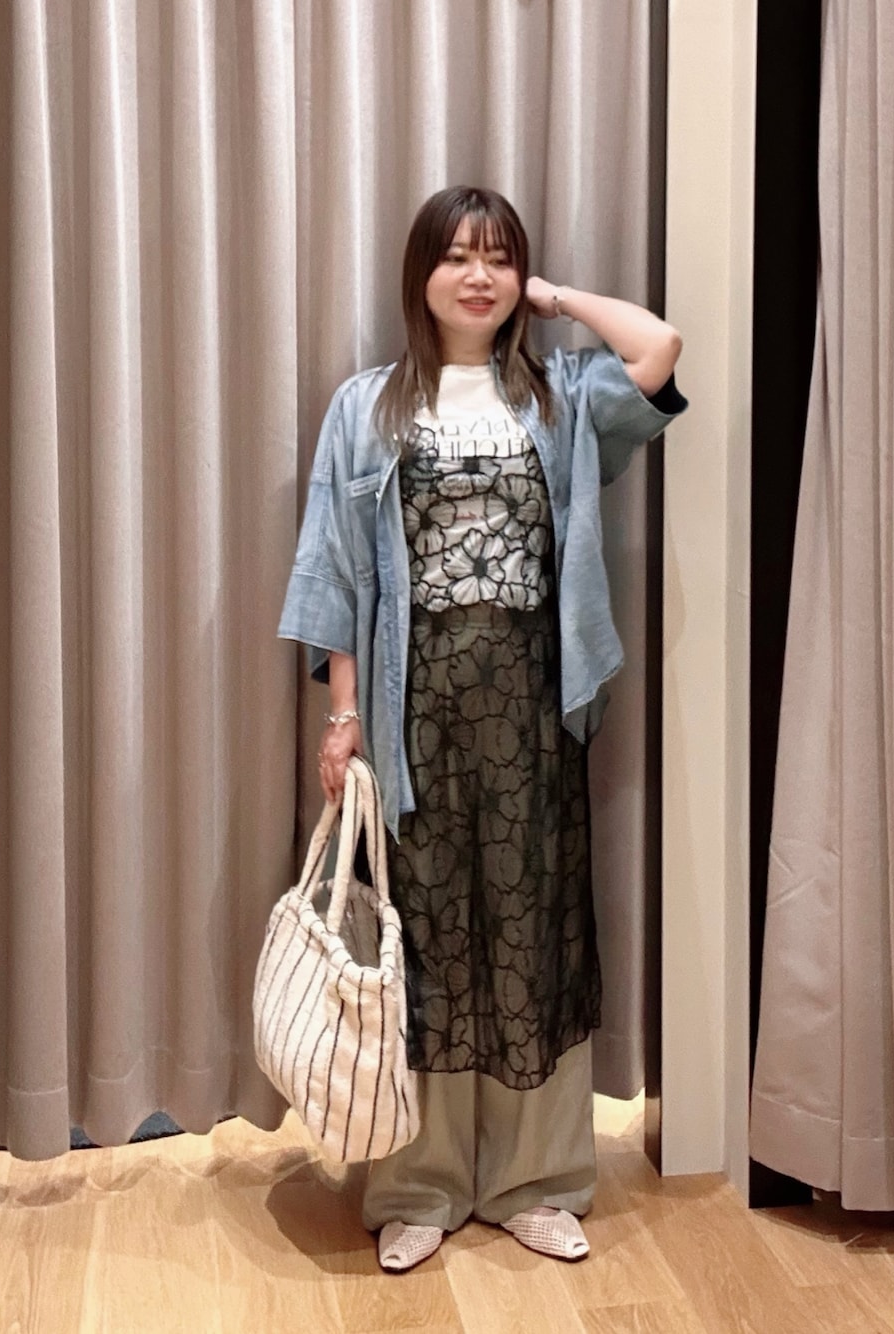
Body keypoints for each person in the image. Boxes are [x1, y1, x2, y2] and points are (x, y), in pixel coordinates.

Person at [278, 186, 686, 1272]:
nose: (477, 276)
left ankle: (534, 1181)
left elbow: (657, 350)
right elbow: (334, 568)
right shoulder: (368, 407)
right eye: (456, 256)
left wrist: (555, 298)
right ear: (420, 275)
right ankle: (418, 1184)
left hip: (535, 712)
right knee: (424, 942)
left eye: (498, 258)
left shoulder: (561, 395)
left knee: (531, 937)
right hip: (414, 711)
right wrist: (342, 716)